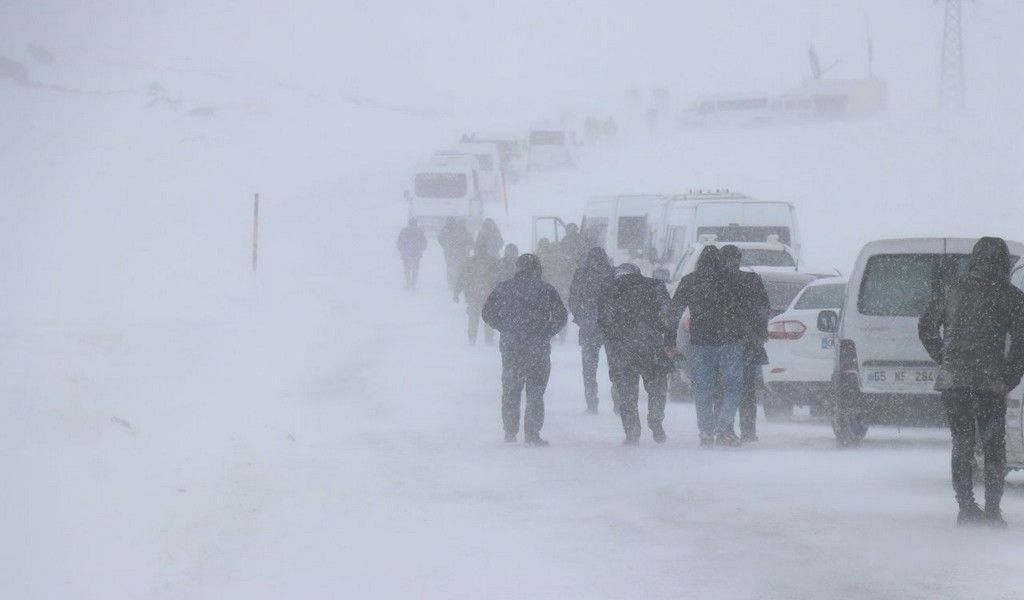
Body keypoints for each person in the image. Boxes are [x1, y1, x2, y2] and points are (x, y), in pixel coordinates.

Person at [918, 237, 1024, 528]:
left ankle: (966, 506)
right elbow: (1021, 343)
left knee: (962, 444)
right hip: (991, 383)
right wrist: (1009, 378)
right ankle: (992, 511)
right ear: (1003, 261)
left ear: (974, 259)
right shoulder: (1012, 296)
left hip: (954, 382)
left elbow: (926, 326)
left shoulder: (951, 289)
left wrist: (944, 357)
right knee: (993, 446)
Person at [482, 254, 568, 446]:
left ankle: (510, 432)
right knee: (535, 391)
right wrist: (547, 331)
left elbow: (487, 312)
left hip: (511, 348)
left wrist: (504, 327)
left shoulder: (504, 287)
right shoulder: (546, 289)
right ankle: (532, 433)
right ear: (537, 268)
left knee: (511, 390)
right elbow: (561, 315)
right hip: (538, 347)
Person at [668, 246, 744, 447]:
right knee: (732, 386)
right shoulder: (733, 280)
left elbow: (673, 313)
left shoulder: (690, 281)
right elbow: (747, 310)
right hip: (730, 340)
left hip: (701, 342)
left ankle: (706, 431)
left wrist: (668, 341)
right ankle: (726, 422)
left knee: (703, 388)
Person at [599, 263, 674, 445]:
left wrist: (614, 338)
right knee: (656, 386)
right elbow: (668, 315)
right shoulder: (655, 286)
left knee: (627, 393)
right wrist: (661, 332)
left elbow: (604, 321)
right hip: (651, 345)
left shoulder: (609, 290)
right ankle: (656, 418)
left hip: (622, 349)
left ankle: (632, 432)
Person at [720, 245, 770, 442]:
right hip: (746, 341)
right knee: (746, 388)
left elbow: (762, 307)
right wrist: (760, 331)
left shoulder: (717, 281)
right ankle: (747, 429)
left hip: (724, 341)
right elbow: (763, 307)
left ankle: (725, 427)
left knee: (727, 387)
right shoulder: (751, 280)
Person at [568, 247, 616, 414]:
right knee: (615, 365)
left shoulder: (581, 274)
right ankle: (619, 401)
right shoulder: (612, 273)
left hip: (589, 325)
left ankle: (592, 403)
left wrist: (580, 317)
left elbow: (573, 298)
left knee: (589, 368)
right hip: (611, 326)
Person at [454, 240, 499, 345]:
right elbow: (463, 278)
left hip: (481, 296)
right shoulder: (490, 261)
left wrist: (457, 292)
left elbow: (463, 278)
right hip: (480, 296)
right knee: (480, 318)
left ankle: (477, 339)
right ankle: (479, 339)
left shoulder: (487, 262)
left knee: (477, 318)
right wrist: (456, 291)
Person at [536, 238, 574, 342]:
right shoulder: (558, 258)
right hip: (557, 289)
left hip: (546, 290)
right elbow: (567, 273)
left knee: (548, 312)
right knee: (559, 312)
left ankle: (552, 335)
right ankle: (559, 334)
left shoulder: (537, 258)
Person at [437, 218, 474, 292]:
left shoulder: (453, 233)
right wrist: (467, 248)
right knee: (461, 269)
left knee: (452, 268)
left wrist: (447, 247)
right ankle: (461, 284)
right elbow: (471, 243)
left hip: (452, 254)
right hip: (462, 255)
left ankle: (452, 284)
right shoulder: (465, 234)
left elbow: (443, 240)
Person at [396, 218, 427, 291]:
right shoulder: (419, 231)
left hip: (406, 254)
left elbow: (399, 242)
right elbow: (424, 243)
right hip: (416, 255)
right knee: (415, 270)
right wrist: (420, 249)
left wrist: (401, 250)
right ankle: (413, 284)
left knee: (407, 270)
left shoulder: (404, 231)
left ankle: (408, 283)